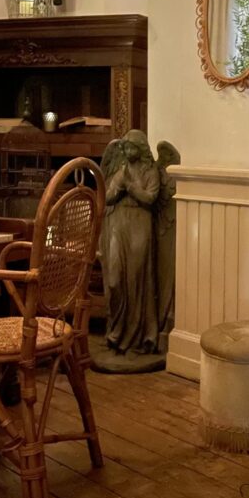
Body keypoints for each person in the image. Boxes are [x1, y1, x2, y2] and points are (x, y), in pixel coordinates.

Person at [101, 129, 161, 355]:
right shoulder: (122, 170)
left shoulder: (150, 170)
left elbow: (150, 198)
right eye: (125, 148)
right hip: (119, 223)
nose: (127, 151)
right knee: (116, 279)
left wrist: (131, 186)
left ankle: (138, 335)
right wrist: (114, 188)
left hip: (140, 225)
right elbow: (107, 196)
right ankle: (116, 330)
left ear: (141, 148)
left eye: (131, 147)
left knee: (137, 280)